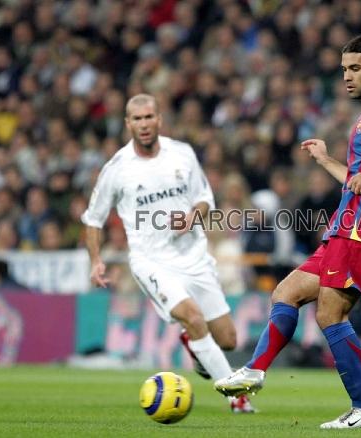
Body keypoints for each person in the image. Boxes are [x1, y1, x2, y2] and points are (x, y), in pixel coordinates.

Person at [215, 35, 361, 429]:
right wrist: (324, 159)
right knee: (287, 291)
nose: (346, 77)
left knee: (330, 313)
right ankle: (255, 370)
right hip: (346, 226)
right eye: (343, 69)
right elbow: (356, 181)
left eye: (354, 68)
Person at [81, 93, 254, 413]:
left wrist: (192, 216)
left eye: (149, 117)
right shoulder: (117, 168)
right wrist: (96, 260)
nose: (144, 124)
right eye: (137, 119)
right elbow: (93, 219)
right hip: (152, 261)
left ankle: (195, 345)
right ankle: (236, 397)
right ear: (127, 124)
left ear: (159, 119)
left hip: (194, 257)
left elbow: (204, 198)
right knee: (192, 317)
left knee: (228, 339)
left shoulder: (182, 153)